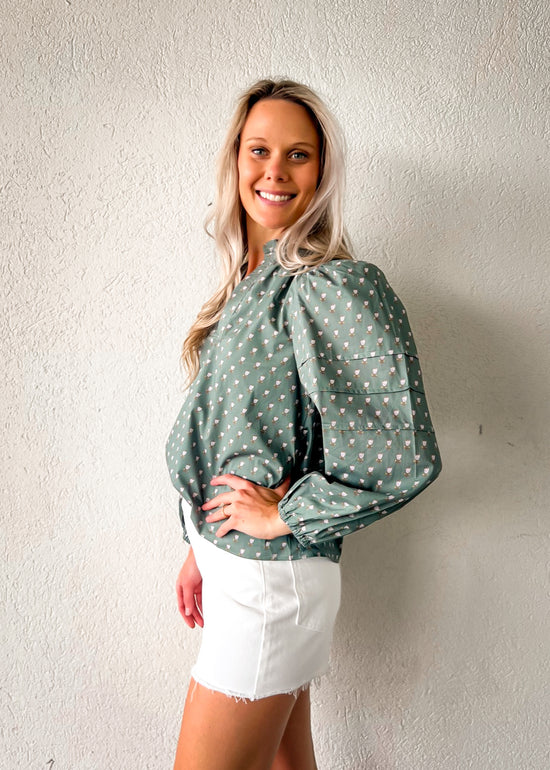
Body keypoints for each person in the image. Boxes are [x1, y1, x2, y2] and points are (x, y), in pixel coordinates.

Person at [165, 78, 442, 770]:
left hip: (268, 584)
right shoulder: (248, 280)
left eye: (299, 154)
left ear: (322, 171)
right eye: (259, 150)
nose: (276, 171)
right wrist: (201, 545)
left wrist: (282, 514)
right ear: (236, 159)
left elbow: (402, 454)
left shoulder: (327, 284)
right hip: (238, 569)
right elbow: (240, 435)